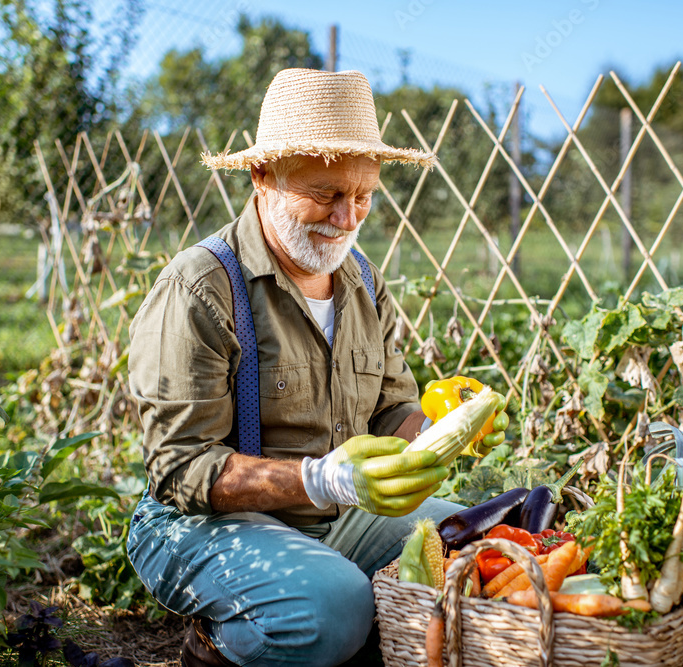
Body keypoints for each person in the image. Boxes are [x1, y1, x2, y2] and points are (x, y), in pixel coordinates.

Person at [125, 68, 510, 667]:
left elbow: (390, 411)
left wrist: (443, 427)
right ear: (262, 176)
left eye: (362, 195)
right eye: (324, 193)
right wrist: (321, 479)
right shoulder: (202, 288)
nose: (348, 216)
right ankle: (216, 647)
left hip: (335, 516)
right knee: (336, 610)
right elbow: (180, 467)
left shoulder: (362, 282)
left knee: (486, 542)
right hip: (202, 524)